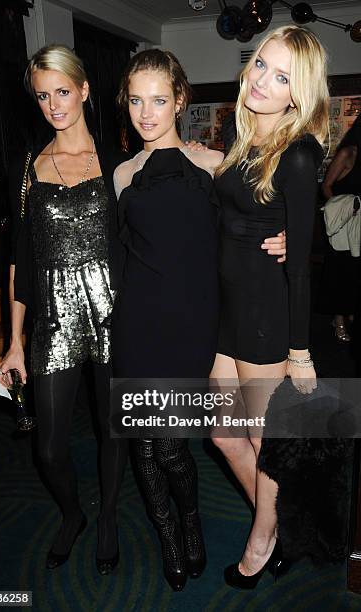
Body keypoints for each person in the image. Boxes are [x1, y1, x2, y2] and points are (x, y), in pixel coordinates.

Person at [112, 49, 287, 591]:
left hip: (197, 325)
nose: (147, 112)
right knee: (144, 445)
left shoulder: (212, 165)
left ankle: (194, 523)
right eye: (137, 101)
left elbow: (252, 228)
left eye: (159, 100)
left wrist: (288, 242)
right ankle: (171, 538)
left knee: (179, 446)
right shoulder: (120, 175)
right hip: (138, 324)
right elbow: (119, 254)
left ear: (179, 101)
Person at [0, 45, 129, 575]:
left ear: (85, 90)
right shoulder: (27, 167)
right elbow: (19, 259)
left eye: (63, 92)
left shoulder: (119, 161)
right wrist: (13, 340)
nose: (53, 104)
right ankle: (72, 513)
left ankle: (110, 517)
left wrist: (262, 231)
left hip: (115, 312)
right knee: (48, 447)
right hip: (53, 317)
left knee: (113, 427)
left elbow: (161, 226)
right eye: (43, 94)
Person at [210, 25, 330, 589]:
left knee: (262, 440)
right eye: (261, 64)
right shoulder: (242, 140)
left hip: (265, 317)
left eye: (282, 76)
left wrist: (300, 352)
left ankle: (263, 537)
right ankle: (278, 519)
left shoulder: (299, 152)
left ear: (298, 93)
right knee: (223, 434)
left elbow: (302, 262)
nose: (262, 80)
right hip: (228, 312)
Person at [322, 115, 361, 342]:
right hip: (345, 223)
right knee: (341, 271)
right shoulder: (348, 154)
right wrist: (343, 207)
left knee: (355, 270)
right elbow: (326, 186)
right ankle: (338, 319)